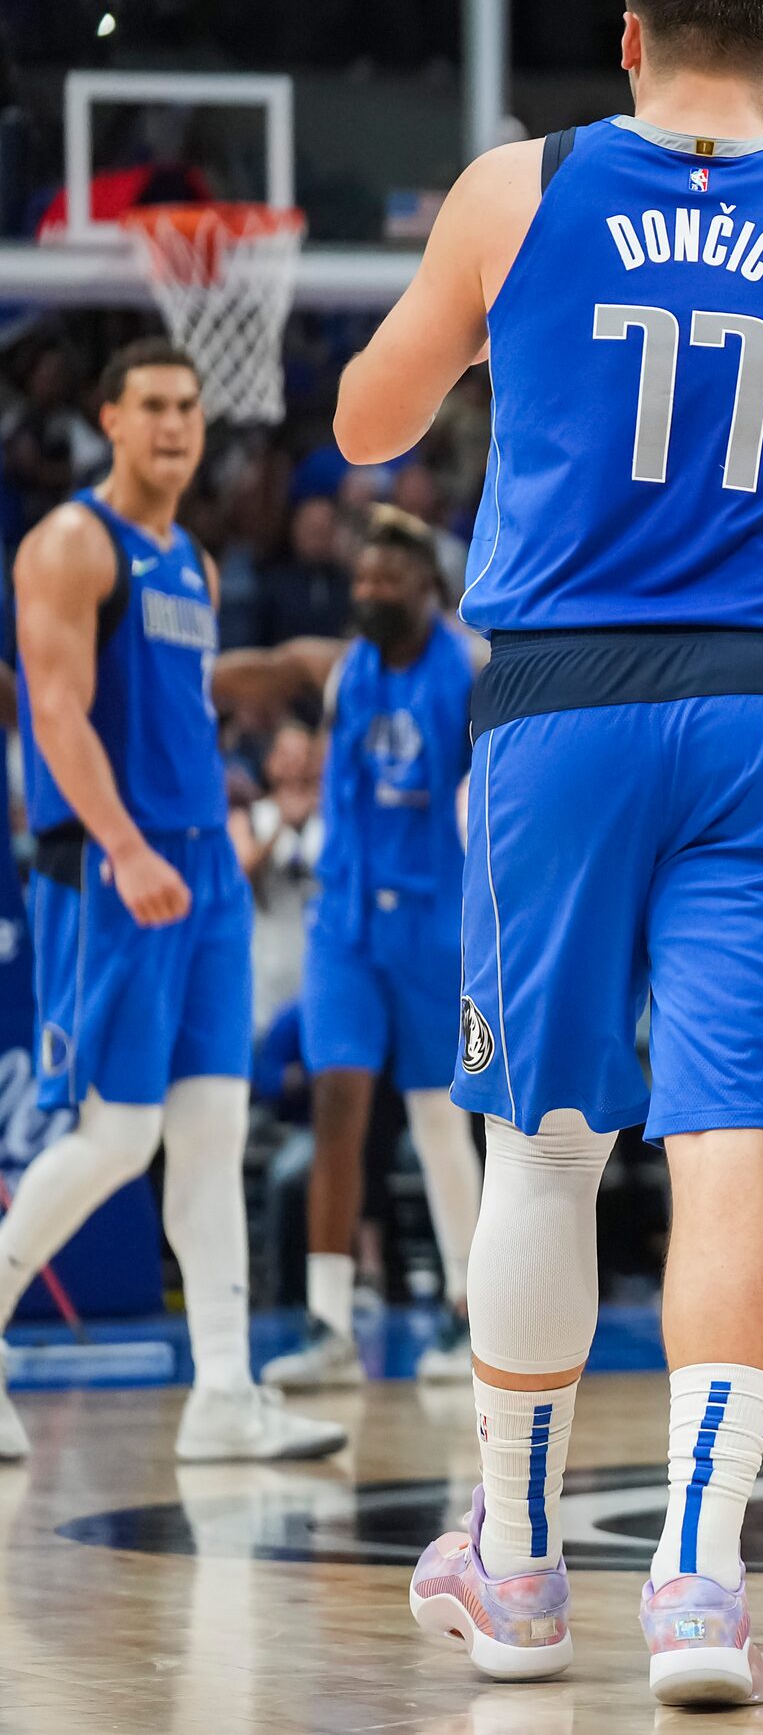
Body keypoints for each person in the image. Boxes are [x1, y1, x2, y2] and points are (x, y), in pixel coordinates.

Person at [338, 0, 763, 1708]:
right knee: (739, 1138)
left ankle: (519, 1574)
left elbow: (369, 421)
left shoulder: (518, 188)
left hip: (563, 704)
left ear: (624, 35)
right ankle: (697, 1583)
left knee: (547, 1136)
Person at [0, 340, 347, 1467]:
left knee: (211, 1133)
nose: (173, 425)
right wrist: (126, 844)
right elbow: (55, 717)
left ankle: (224, 1395)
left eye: (189, 407)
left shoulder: (189, 559)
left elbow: (179, 715)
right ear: (108, 417)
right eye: (150, 404)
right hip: (113, 867)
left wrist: (218, 835)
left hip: (204, 870)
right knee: (117, 1136)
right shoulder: (69, 543)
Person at [212, 509, 486, 1390]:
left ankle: (471, 1315)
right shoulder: (340, 671)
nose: (369, 592)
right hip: (345, 925)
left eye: (387, 582)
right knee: (337, 1108)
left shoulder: (470, 673)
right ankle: (329, 1325)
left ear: (427, 591)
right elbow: (267, 666)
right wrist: (172, 672)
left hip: (435, 920)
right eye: (361, 580)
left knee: (440, 1121)